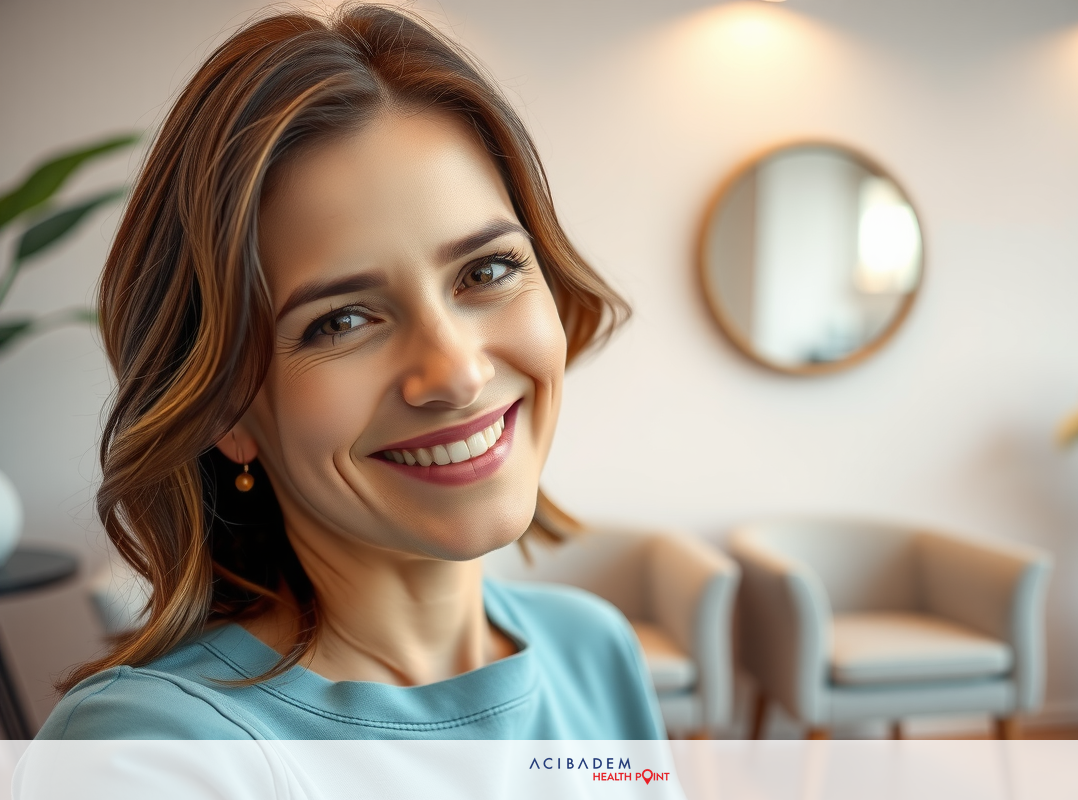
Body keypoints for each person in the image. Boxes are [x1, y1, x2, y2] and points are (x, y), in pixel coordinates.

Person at [36, 3, 661, 740]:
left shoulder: (595, 650)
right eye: (343, 320)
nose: (457, 374)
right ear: (223, 411)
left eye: (487, 269)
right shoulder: (153, 745)